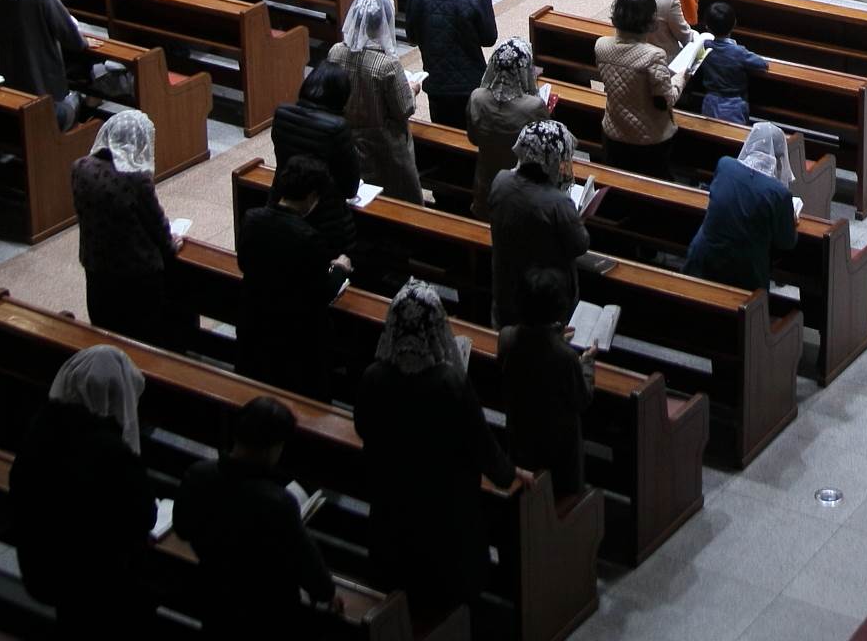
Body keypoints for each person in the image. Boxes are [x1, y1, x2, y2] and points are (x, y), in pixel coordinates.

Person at [352, 279, 513, 627]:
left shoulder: (373, 377)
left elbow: (363, 428)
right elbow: (484, 449)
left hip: (391, 526)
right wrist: (510, 475)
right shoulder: (449, 384)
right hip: (446, 532)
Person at [11, 345, 158, 631]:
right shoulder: (111, 453)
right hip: (100, 583)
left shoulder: (42, 427)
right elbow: (144, 516)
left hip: (45, 567)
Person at [175, 395, 342, 637]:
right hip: (268, 614)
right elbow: (306, 563)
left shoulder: (198, 475)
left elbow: (182, 527)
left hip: (214, 599)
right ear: (272, 448)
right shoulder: (278, 503)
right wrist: (327, 592)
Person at [237, 154, 354, 399]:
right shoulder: (309, 238)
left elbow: (244, 263)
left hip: (255, 325)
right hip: (296, 340)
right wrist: (340, 269)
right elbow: (322, 292)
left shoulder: (252, 219)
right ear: (311, 197)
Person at [73, 108, 191, 348]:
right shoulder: (136, 180)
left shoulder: (80, 168)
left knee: (106, 331)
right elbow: (157, 226)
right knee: (143, 338)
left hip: (96, 268)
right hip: (136, 275)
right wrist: (172, 243)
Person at [498, 266, 594, 499]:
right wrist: (587, 364)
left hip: (521, 445)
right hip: (559, 459)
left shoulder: (507, 338)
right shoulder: (566, 357)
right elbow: (583, 399)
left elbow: (533, 345)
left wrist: (554, 335)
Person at [327, 0, 425, 202]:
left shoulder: (336, 51)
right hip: (383, 143)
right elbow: (404, 109)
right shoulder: (387, 64)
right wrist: (413, 88)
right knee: (399, 196)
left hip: (346, 133)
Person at [487, 120, 593, 316]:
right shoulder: (559, 203)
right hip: (547, 301)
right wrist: (578, 220)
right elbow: (579, 245)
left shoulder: (501, 181)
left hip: (506, 289)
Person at [683, 119, 798, 290]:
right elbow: (786, 242)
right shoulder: (779, 193)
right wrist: (792, 219)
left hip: (704, 257)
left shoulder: (725, 165)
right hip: (744, 273)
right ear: (779, 155)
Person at [593, 0, 686, 178]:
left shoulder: (601, 45)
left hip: (613, 131)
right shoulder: (653, 56)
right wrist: (681, 78)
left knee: (617, 183)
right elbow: (666, 100)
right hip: (650, 140)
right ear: (650, 22)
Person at [407, 0, 497, 127]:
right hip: (469, 82)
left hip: (435, 78)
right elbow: (489, 38)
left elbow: (412, 37)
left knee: (441, 130)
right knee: (468, 133)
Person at [467, 38, 553, 196]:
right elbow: (545, 149)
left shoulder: (476, 97)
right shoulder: (534, 106)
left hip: (486, 184)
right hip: (521, 189)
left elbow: (473, 139)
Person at [272, 60, 364, 204]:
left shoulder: (282, 114)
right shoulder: (337, 128)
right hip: (319, 208)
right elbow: (350, 189)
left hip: (281, 197)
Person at [688, 0, 769, 125]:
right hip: (734, 107)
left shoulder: (704, 46)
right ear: (734, 24)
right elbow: (763, 65)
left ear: (707, 27)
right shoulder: (738, 52)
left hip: (709, 103)